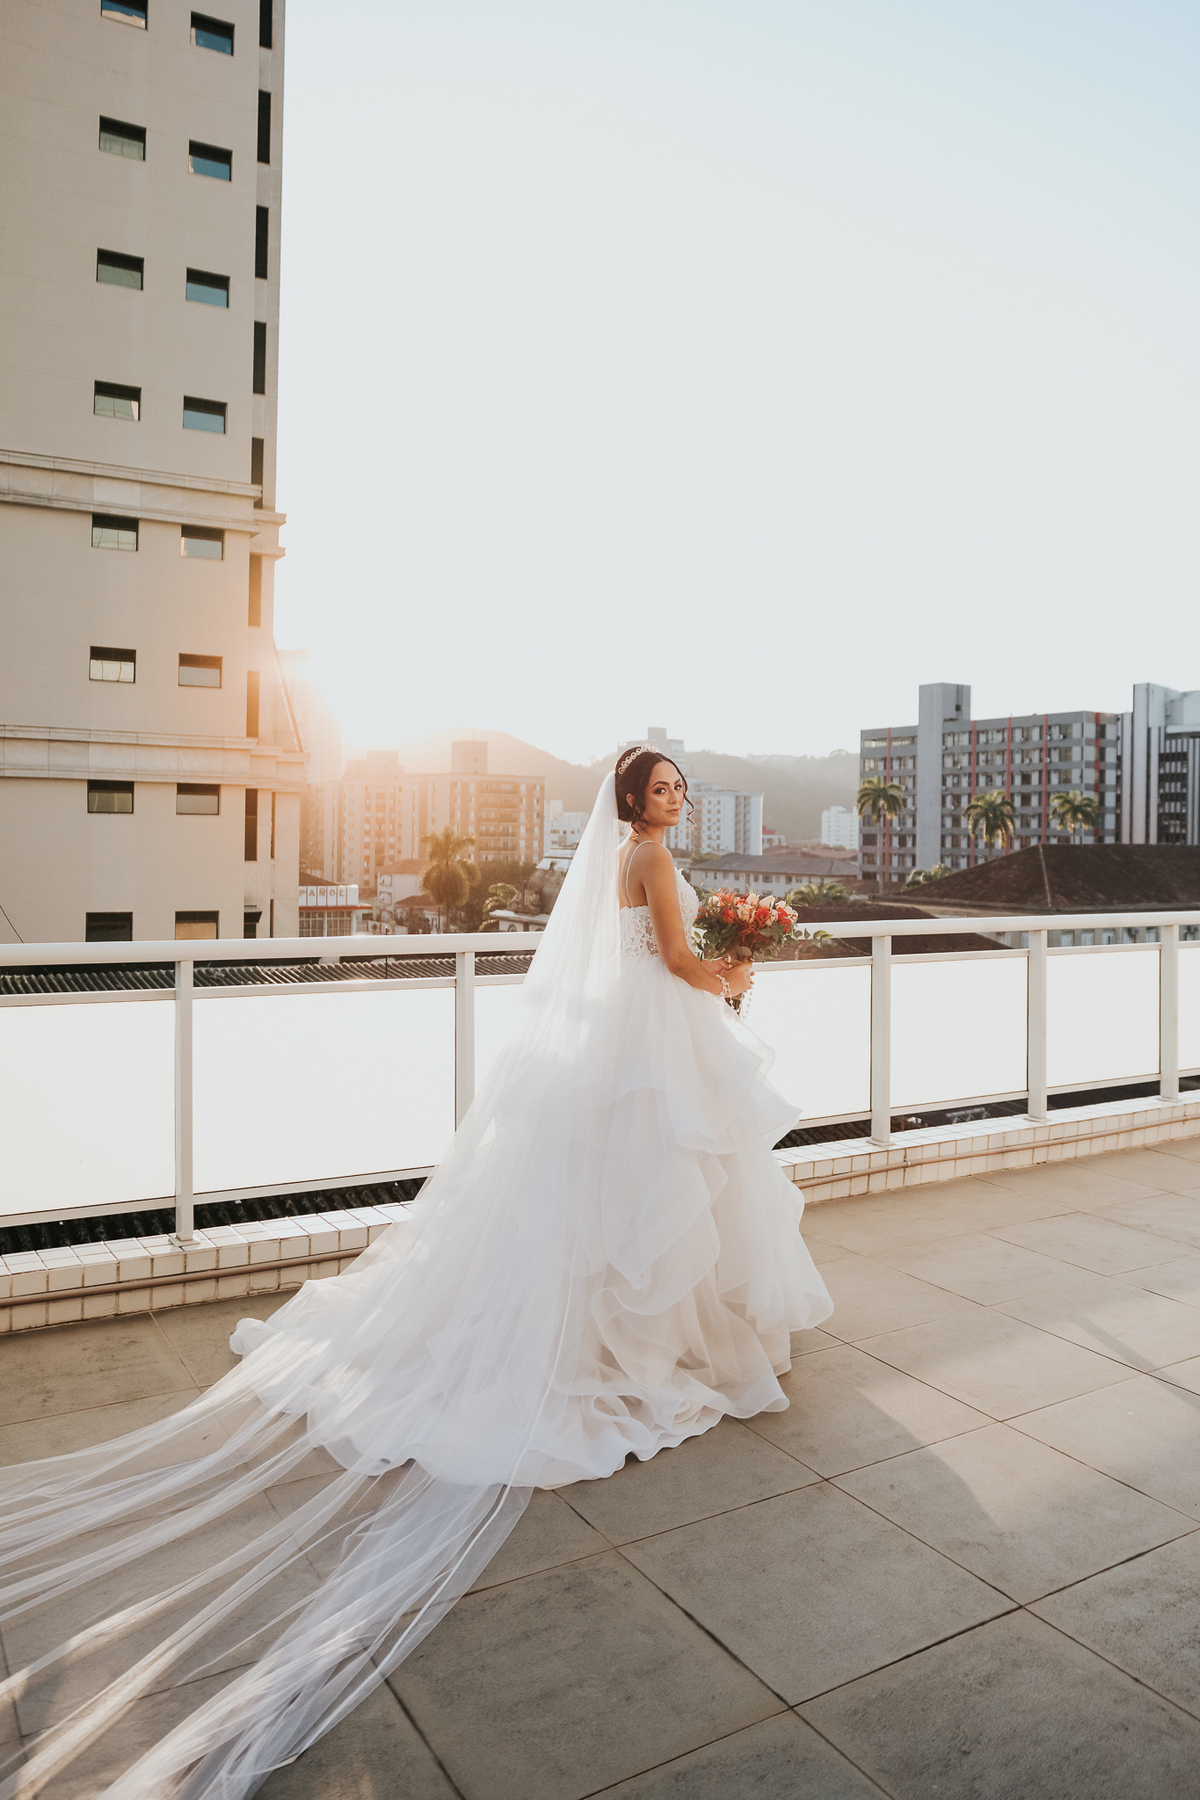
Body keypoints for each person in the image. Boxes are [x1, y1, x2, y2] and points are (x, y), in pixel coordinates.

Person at [0, 747, 831, 1799]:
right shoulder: (656, 864)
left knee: (630, 1198)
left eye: (678, 788)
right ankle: (645, 1335)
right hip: (657, 1033)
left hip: (624, 1043)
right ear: (632, 800)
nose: (675, 799)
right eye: (662, 788)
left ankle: (626, 1323)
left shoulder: (623, 857)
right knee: (664, 1191)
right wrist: (739, 973)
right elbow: (673, 960)